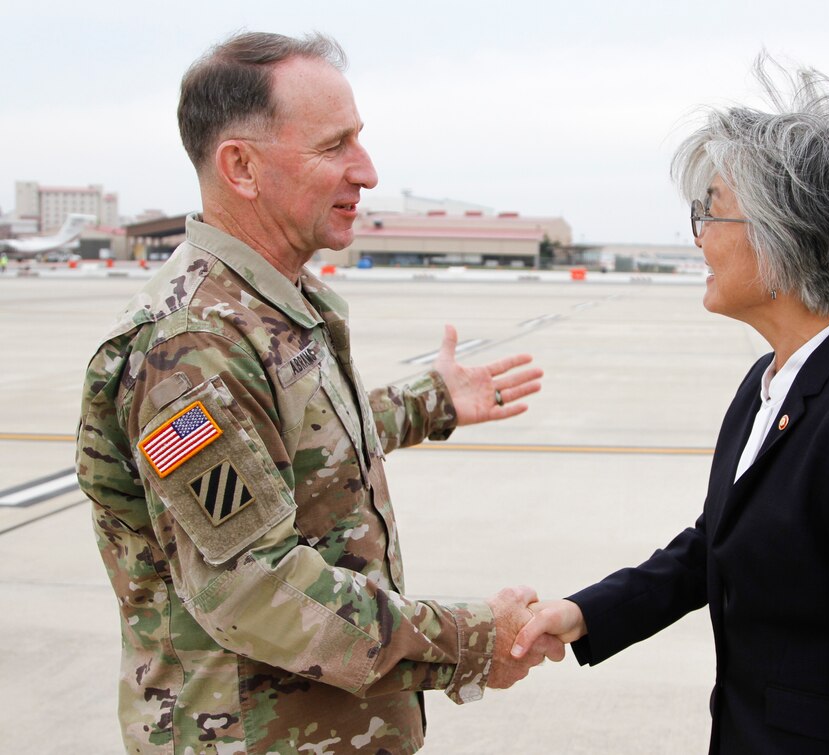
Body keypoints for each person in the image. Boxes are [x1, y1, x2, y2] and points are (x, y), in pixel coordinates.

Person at [75, 31, 560, 755]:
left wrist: (431, 402)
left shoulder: (266, 303)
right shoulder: (190, 345)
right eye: (335, 146)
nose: (365, 170)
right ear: (241, 166)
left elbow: (293, 444)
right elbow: (253, 587)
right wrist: (472, 636)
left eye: (359, 140)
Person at [515, 57, 829, 753]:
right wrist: (584, 612)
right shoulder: (773, 378)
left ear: (786, 233)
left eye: (712, 208)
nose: (698, 234)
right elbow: (712, 548)